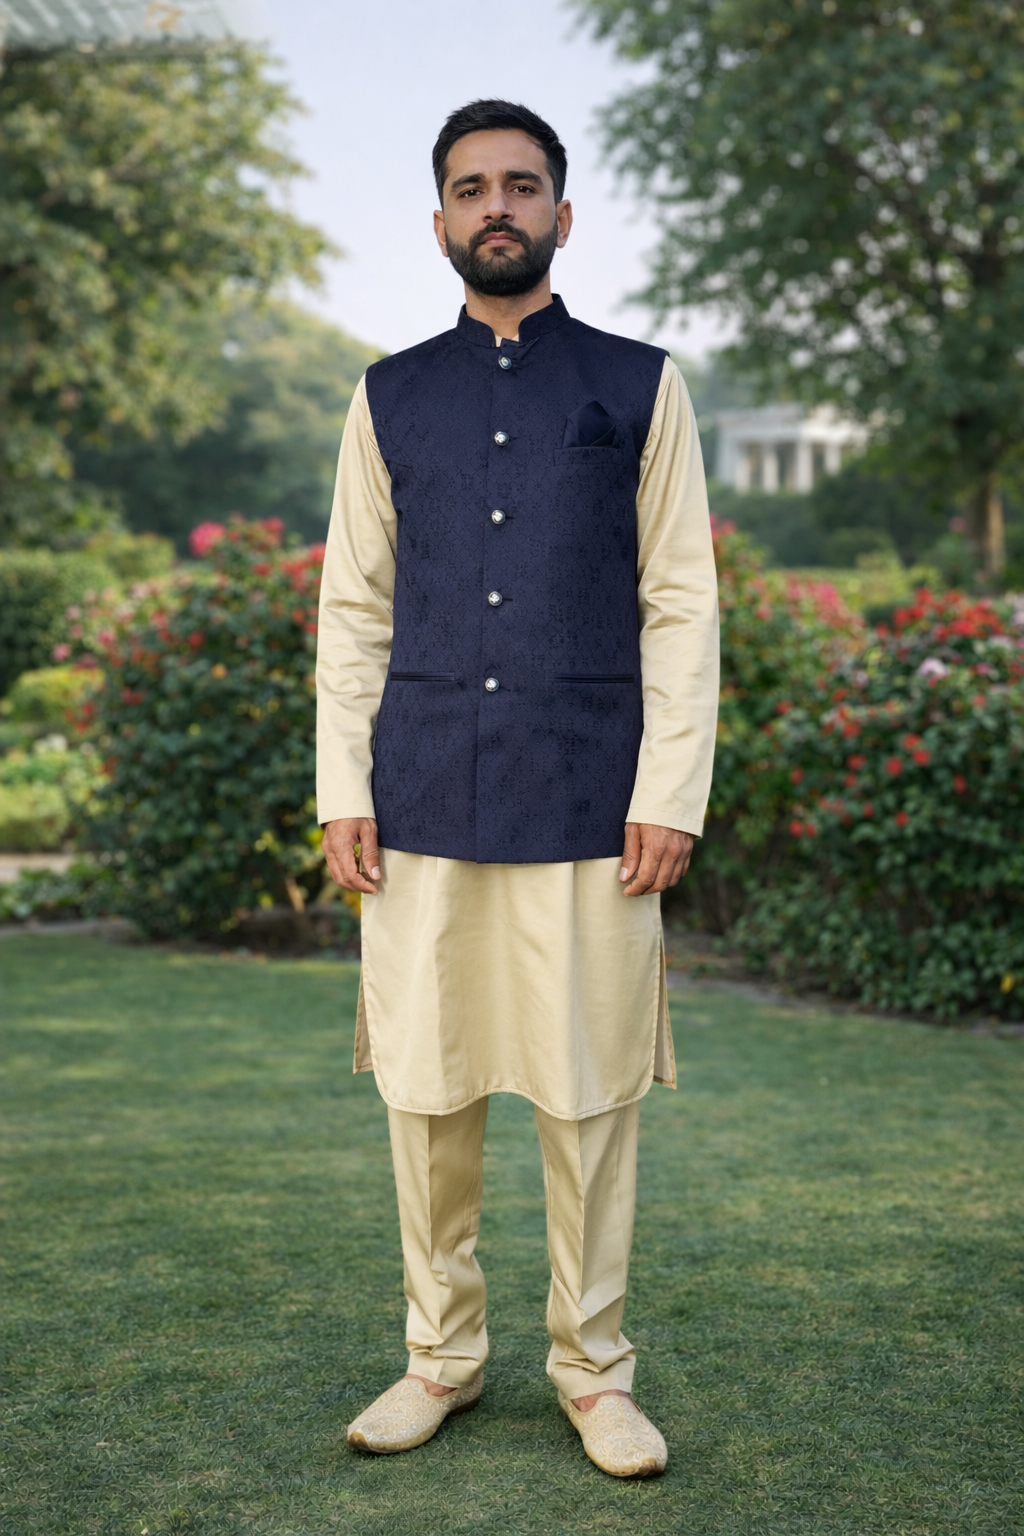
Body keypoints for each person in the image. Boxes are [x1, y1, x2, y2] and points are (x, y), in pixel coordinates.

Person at [316, 99, 719, 1478]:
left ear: (563, 212)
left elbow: (681, 602)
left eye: (522, 184)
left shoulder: (642, 386)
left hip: (589, 801)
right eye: (472, 187)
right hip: (421, 787)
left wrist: (671, 790)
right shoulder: (386, 396)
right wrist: (340, 787)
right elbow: (353, 609)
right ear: (438, 220)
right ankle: (441, 1358)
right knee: (425, 1096)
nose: (499, 204)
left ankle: (594, 1374)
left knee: (589, 1099)